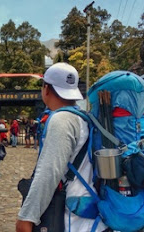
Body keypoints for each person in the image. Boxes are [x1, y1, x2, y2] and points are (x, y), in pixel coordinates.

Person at [16, 63, 106, 232]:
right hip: (90, 214)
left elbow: (49, 172)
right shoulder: (83, 119)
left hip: (72, 220)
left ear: (46, 88)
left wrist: (27, 217)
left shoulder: (61, 120)